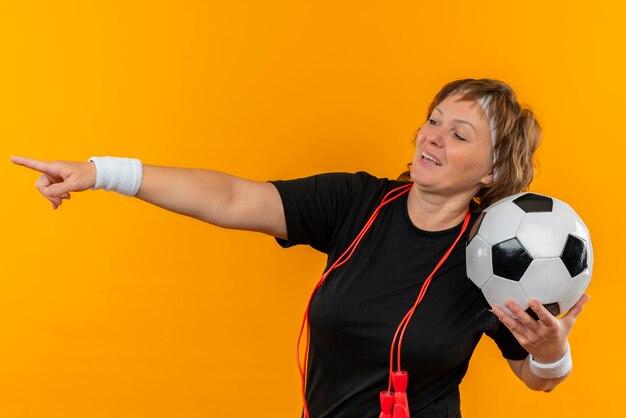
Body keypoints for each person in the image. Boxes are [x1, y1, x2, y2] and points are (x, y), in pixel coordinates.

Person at [11, 78, 589, 418]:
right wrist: (102, 172)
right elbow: (235, 198)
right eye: (432, 121)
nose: (432, 136)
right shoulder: (356, 201)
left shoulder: (499, 257)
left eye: (458, 134)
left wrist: (549, 353)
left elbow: (537, 378)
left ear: (492, 169)